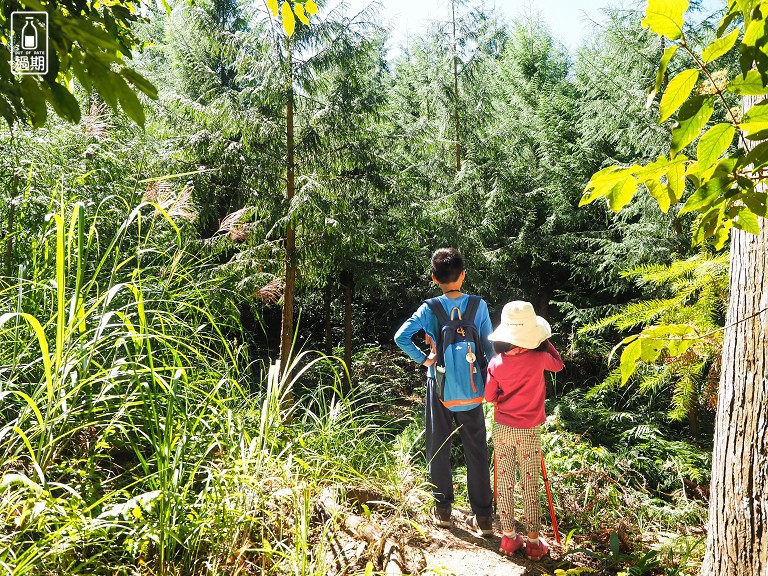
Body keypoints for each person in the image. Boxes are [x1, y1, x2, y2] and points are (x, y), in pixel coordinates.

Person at [394, 248, 495, 536]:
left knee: (438, 445)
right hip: (473, 387)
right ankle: (484, 518)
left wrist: (424, 359)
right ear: (463, 275)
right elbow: (488, 347)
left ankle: (443, 512)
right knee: (476, 449)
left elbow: (401, 337)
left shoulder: (429, 308)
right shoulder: (478, 306)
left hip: (438, 385)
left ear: (433, 278)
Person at [484, 300, 564, 560]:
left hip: (503, 428)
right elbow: (559, 364)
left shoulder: (496, 363)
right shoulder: (540, 358)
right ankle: (532, 542)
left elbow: (489, 397)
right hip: (529, 431)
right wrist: (543, 341)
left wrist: (500, 396)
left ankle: (508, 538)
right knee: (530, 485)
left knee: (505, 483)